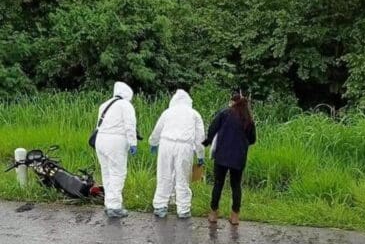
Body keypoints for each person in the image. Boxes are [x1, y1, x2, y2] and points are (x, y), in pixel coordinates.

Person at [148, 89, 206, 219]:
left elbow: (158, 129)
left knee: (164, 175)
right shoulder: (194, 114)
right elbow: (200, 138)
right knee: (183, 177)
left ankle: (160, 205)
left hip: (166, 144)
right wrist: (200, 155)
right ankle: (183, 209)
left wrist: (153, 142)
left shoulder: (168, 112)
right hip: (184, 146)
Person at [202, 91, 256, 225]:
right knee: (236, 185)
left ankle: (213, 214)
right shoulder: (248, 119)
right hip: (239, 157)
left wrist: (208, 141)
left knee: (218, 184)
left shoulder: (225, 113)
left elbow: (212, 128)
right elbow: (252, 139)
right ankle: (235, 216)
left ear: (233, 102)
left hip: (222, 155)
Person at [95, 81, 138, 218]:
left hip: (100, 140)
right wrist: (133, 143)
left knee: (106, 173)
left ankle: (109, 204)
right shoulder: (126, 105)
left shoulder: (104, 105)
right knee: (118, 173)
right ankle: (114, 207)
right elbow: (130, 125)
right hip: (115, 142)